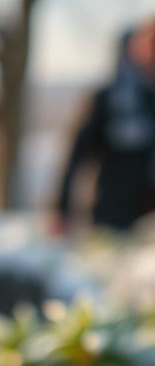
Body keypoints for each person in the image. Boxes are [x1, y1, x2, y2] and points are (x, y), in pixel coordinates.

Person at [54, 21, 155, 233]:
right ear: (133, 48)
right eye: (151, 43)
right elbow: (77, 155)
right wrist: (62, 209)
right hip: (114, 222)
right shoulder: (109, 99)